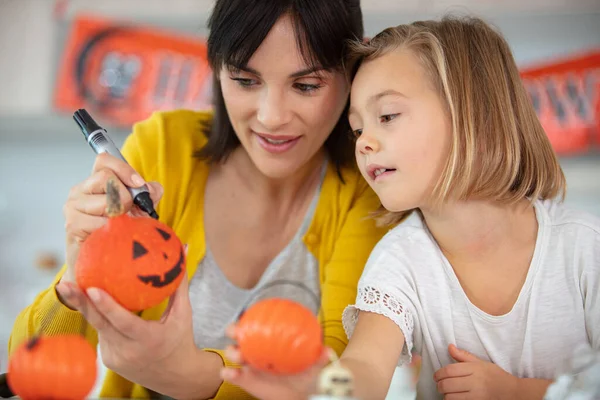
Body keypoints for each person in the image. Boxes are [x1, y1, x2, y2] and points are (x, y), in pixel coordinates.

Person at [8, 0, 387, 398]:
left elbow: (340, 377)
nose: (272, 116)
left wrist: (193, 375)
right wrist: (79, 272)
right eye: (245, 80)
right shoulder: (164, 148)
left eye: (306, 86)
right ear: (218, 67)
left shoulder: (370, 188)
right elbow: (31, 369)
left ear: (353, 67)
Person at [220, 15, 600, 400]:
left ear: (474, 115)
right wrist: (324, 383)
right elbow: (365, 367)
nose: (364, 142)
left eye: (387, 116)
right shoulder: (399, 260)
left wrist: (519, 392)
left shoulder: (585, 248)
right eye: (358, 129)